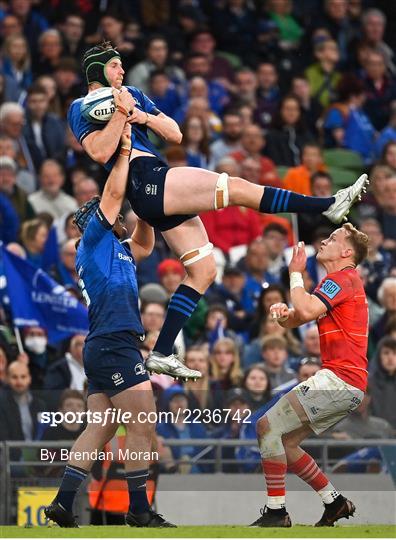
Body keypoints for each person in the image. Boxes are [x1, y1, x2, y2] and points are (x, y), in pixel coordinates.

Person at [68, 41, 369, 381]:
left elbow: (175, 133)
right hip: (143, 179)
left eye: (122, 65)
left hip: (155, 185)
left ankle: (163, 351)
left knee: (204, 271)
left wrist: (142, 115)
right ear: (97, 70)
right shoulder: (80, 106)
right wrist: (122, 113)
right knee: (237, 188)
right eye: (115, 66)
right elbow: (97, 152)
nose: (122, 71)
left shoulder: (132, 92)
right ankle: (327, 206)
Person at [44, 125, 175, 528]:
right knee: (142, 421)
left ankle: (63, 503)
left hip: (104, 343)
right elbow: (114, 197)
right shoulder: (94, 242)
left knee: (100, 428)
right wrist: (124, 155)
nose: (116, 216)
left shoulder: (115, 249)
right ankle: (138, 508)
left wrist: (146, 210)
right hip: (115, 340)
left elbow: (146, 244)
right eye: (111, 215)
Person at [250, 223, 369, 527]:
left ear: (346, 252)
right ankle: (335, 503)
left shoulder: (342, 279)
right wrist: (283, 316)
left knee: (266, 425)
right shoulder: (339, 283)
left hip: (338, 379)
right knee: (285, 442)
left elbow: (305, 309)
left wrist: (294, 273)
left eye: (332, 239)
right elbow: (300, 315)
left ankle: (277, 512)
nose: (324, 241)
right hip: (348, 383)